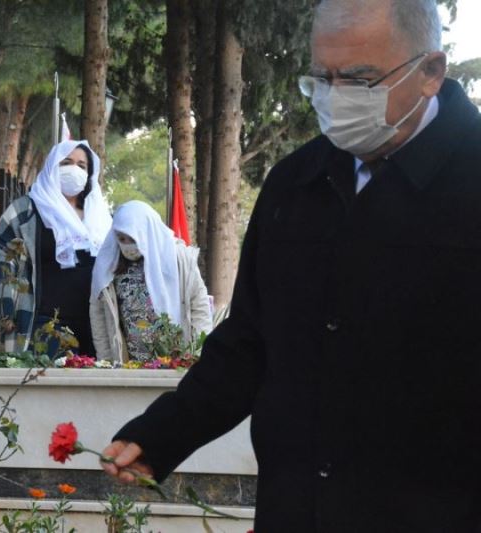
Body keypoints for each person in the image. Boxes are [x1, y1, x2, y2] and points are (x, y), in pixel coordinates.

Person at [102, 1, 481, 531]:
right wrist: (163, 433)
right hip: (298, 511)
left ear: (430, 74)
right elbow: (251, 341)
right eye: (321, 78)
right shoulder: (294, 185)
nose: (336, 96)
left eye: (359, 79)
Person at [0, 140, 111, 356]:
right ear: (53, 166)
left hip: (95, 326)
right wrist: (5, 310)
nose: (74, 169)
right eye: (67, 162)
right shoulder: (27, 210)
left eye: (81, 166)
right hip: (44, 324)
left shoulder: (101, 217)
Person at [89, 201, 212, 363]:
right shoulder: (108, 264)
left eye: (132, 238)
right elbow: (98, 315)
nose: (127, 245)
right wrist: (106, 360)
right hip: (129, 363)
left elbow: (199, 306)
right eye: (121, 238)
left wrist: (197, 354)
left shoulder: (179, 259)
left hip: (177, 360)